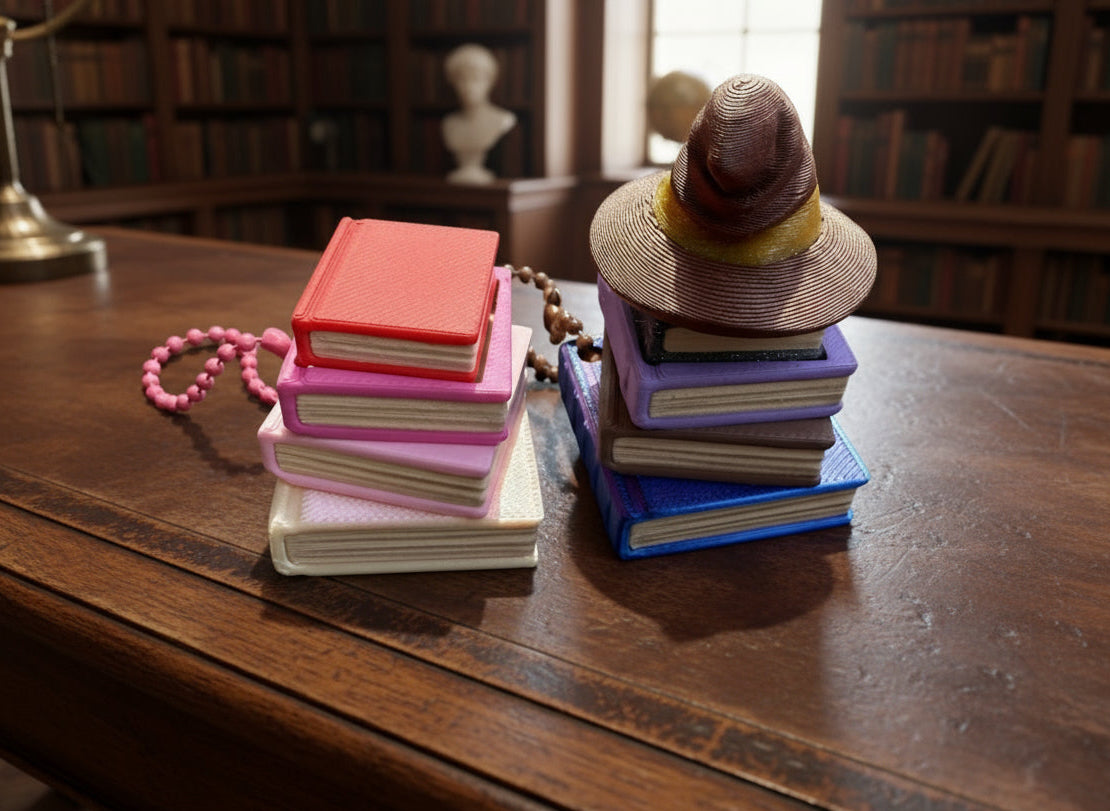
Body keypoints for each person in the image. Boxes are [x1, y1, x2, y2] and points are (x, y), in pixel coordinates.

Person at [441, 44, 516, 184]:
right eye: (462, 79)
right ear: (452, 82)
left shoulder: (502, 119)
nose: (468, 86)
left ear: (490, 81)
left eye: (476, 78)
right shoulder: (448, 123)